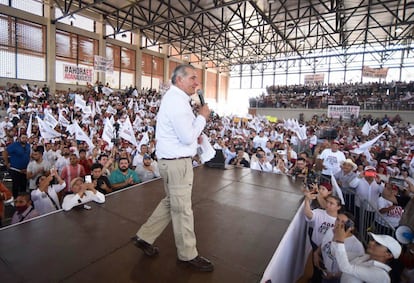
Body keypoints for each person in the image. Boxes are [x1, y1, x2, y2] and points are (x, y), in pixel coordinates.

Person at [132, 64, 214, 272]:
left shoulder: (176, 100)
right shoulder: (177, 102)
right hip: (177, 164)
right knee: (183, 209)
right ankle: (188, 255)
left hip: (172, 162)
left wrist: (197, 124)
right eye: (193, 78)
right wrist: (202, 117)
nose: (197, 83)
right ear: (179, 80)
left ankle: (145, 236)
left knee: (172, 202)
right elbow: (187, 136)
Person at [332, 225, 402, 283]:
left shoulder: (381, 274)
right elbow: (335, 253)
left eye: (377, 244)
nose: (371, 243)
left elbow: (346, 268)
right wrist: (336, 236)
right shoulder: (365, 257)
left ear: (388, 255)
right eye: (372, 240)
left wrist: (340, 241)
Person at [315, 212, 365, 283]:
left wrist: (334, 275)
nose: (338, 223)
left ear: (351, 228)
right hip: (325, 272)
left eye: (343, 222)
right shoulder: (330, 230)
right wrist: (316, 253)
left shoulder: (356, 246)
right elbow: (324, 242)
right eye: (337, 219)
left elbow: (354, 269)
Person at [2, 133, 31, 197]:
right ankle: (15, 200)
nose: (24, 139)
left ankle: (23, 200)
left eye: (26, 138)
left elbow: (29, 156)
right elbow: (5, 152)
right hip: (15, 169)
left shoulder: (28, 146)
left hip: (25, 170)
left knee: (23, 185)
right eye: (23, 138)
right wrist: (6, 163)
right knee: (16, 185)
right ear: (19, 138)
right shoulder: (14, 145)